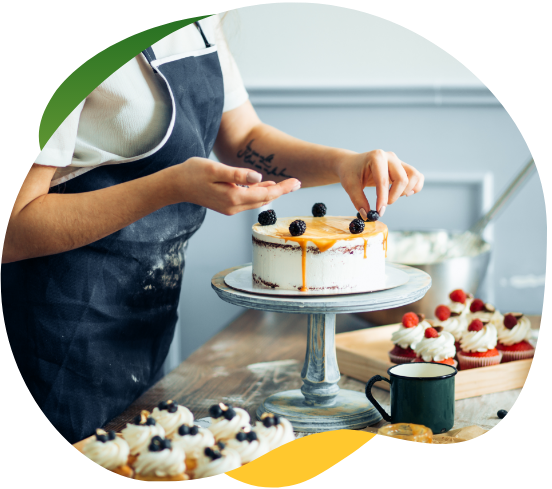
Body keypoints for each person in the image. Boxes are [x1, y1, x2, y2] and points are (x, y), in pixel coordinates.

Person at [1, 15, 424, 443]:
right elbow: (13, 229)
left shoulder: (204, 25)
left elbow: (243, 138)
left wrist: (342, 164)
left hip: (144, 317)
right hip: (56, 323)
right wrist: (170, 186)